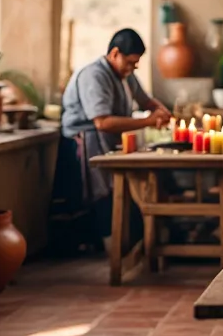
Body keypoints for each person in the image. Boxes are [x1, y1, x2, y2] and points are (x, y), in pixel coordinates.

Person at [61, 29, 171, 238]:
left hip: (110, 138)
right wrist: (148, 121)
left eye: (136, 63)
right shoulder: (94, 75)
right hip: (86, 140)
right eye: (130, 62)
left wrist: (162, 112)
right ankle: (110, 240)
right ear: (114, 54)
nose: (133, 67)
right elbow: (102, 122)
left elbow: (146, 100)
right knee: (105, 194)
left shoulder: (126, 75)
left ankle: (140, 236)